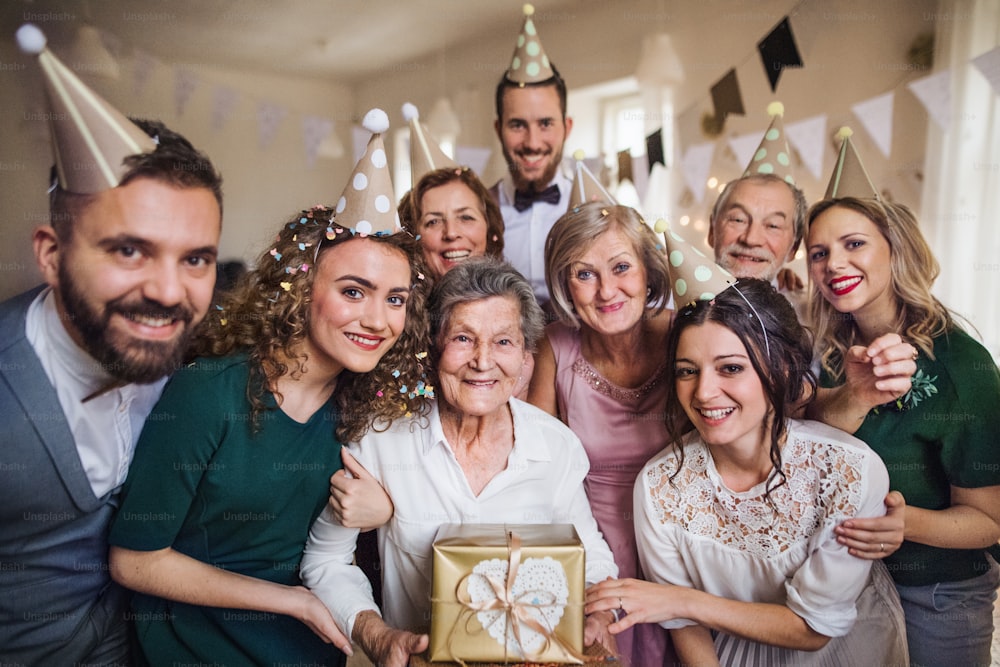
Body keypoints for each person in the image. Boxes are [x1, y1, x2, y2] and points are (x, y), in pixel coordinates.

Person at [106, 204, 428, 665]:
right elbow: (134, 560)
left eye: (395, 299)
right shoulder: (208, 393)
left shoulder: (368, 410)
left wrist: (387, 510)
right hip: (194, 646)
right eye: (354, 291)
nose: (379, 321)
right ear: (301, 288)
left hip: (309, 648)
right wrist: (292, 601)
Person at [300, 257, 620, 667]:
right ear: (433, 349)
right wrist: (377, 636)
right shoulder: (382, 439)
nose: (483, 361)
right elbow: (325, 560)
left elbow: (591, 556)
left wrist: (598, 614)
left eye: (503, 341)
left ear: (525, 358)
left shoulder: (557, 447)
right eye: (463, 339)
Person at [586, 278, 909, 666]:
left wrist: (681, 600)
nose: (704, 392)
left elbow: (812, 629)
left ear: (782, 367)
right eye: (687, 371)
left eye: (731, 368)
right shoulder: (660, 485)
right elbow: (685, 625)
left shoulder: (849, 470)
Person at [0, 107, 223, 664]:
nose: (170, 292)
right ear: (52, 254)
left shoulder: (190, 364)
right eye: (129, 250)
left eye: (195, 258)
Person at [807, 195, 1000, 665]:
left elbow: (990, 519)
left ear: (896, 249)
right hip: (841, 587)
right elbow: (811, 442)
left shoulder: (962, 367)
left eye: (854, 243)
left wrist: (904, 523)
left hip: (936, 595)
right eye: (819, 253)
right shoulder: (827, 353)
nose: (834, 264)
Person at [528, 202, 674, 666]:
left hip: (680, 545)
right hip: (591, 547)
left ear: (649, 272)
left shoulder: (683, 331)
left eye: (621, 267)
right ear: (565, 285)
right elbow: (537, 472)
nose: (607, 290)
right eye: (584, 274)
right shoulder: (554, 346)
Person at [489, 5, 573, 306]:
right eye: (517, 125)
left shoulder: (595, 208)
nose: (532, 142)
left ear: (567, 127)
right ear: (499, 129)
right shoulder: (475, 216)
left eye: (546, 124)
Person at [400, 166, 505, 279]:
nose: (451, 233)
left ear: (489, 228)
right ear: (412, 236)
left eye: (465, 217)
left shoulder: (515, 295)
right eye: (434, 222)